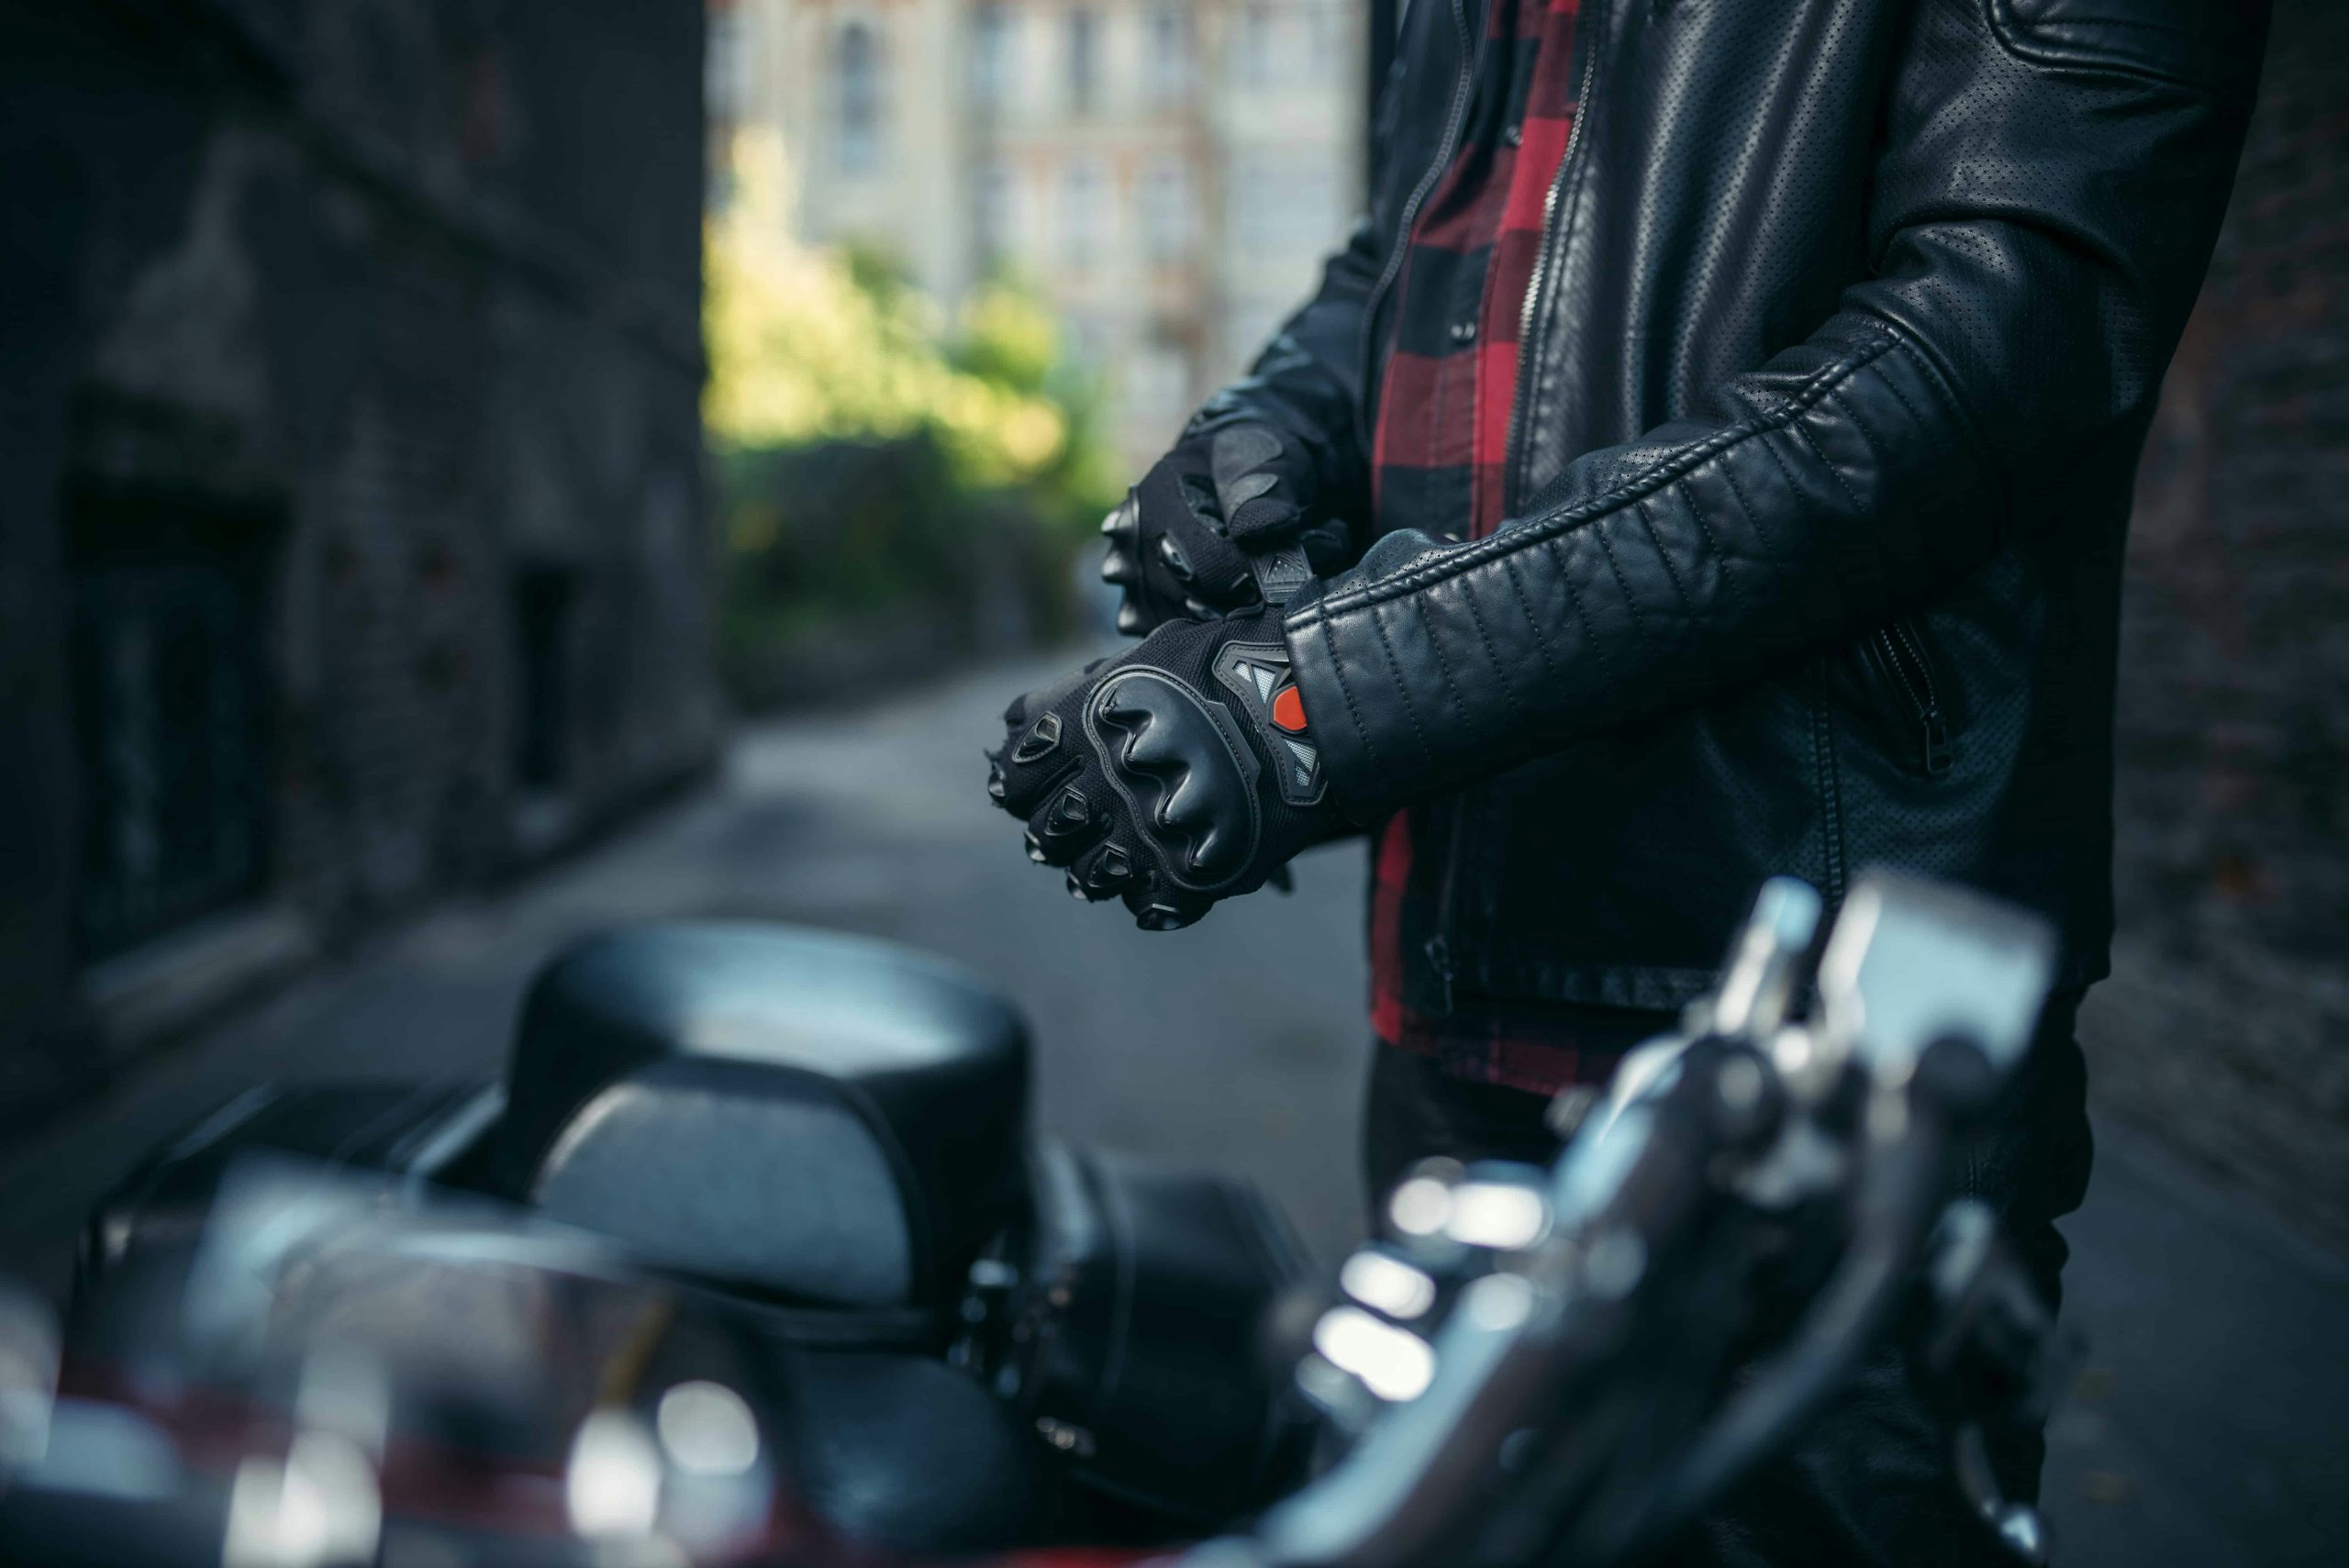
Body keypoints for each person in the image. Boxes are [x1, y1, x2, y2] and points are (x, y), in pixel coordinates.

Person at [986, 2, 2266, 1561]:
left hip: (1805, 1041)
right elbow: (1407, 249)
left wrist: (1316, 699)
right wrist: (1266, 428)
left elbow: (1979, 359)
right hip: (1456, 979)